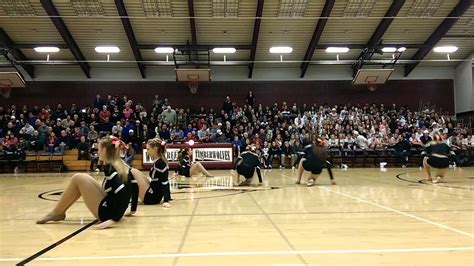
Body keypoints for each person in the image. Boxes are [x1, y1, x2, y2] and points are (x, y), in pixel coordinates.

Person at [36, 136, 137, 229]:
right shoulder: (122, 165)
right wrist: (132, 210)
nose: (97, 152)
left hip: (107, 213)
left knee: (78, 178)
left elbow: (123, 194)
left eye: (98, 149)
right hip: (113, 208)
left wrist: (113, 219)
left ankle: (56, 213)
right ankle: (58, 212)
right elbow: (134, 185)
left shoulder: (111, 169)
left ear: (104, 150)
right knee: (81, 177)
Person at [130, 138, 171, 207]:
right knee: (134, 171)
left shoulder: (160, 163)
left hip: (152, 197)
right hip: (153, 191)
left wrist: (166, 200)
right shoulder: (157, 161)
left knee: (132, 171)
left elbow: (165, 182)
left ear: (155, 149)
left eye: (148, 149)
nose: (147, 151)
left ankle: (126, 196)